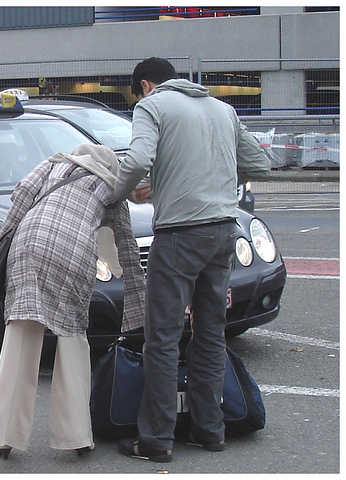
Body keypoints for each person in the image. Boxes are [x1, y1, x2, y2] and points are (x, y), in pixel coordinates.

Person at [111, 57, 271, 462]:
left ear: (146, 85)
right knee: (211, 333)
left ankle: (155, 440)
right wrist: (212, 182)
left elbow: (139, 159)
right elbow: (260, 165)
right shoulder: (223, 108)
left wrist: (120, 193)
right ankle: (209, 430)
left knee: (162, 338)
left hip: (180, 233)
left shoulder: (153, 106)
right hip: (223, 227)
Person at [0, 144, 146, 459]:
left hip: (28, 244)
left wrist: (0, 241)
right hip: (73, 253)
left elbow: (22, 193)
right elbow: (123, 242)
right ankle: (76, 436)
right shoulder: (113, 185)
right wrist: (139, 306)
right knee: (72, 340)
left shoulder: (54, 164)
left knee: (20, 338)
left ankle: (1, 436)